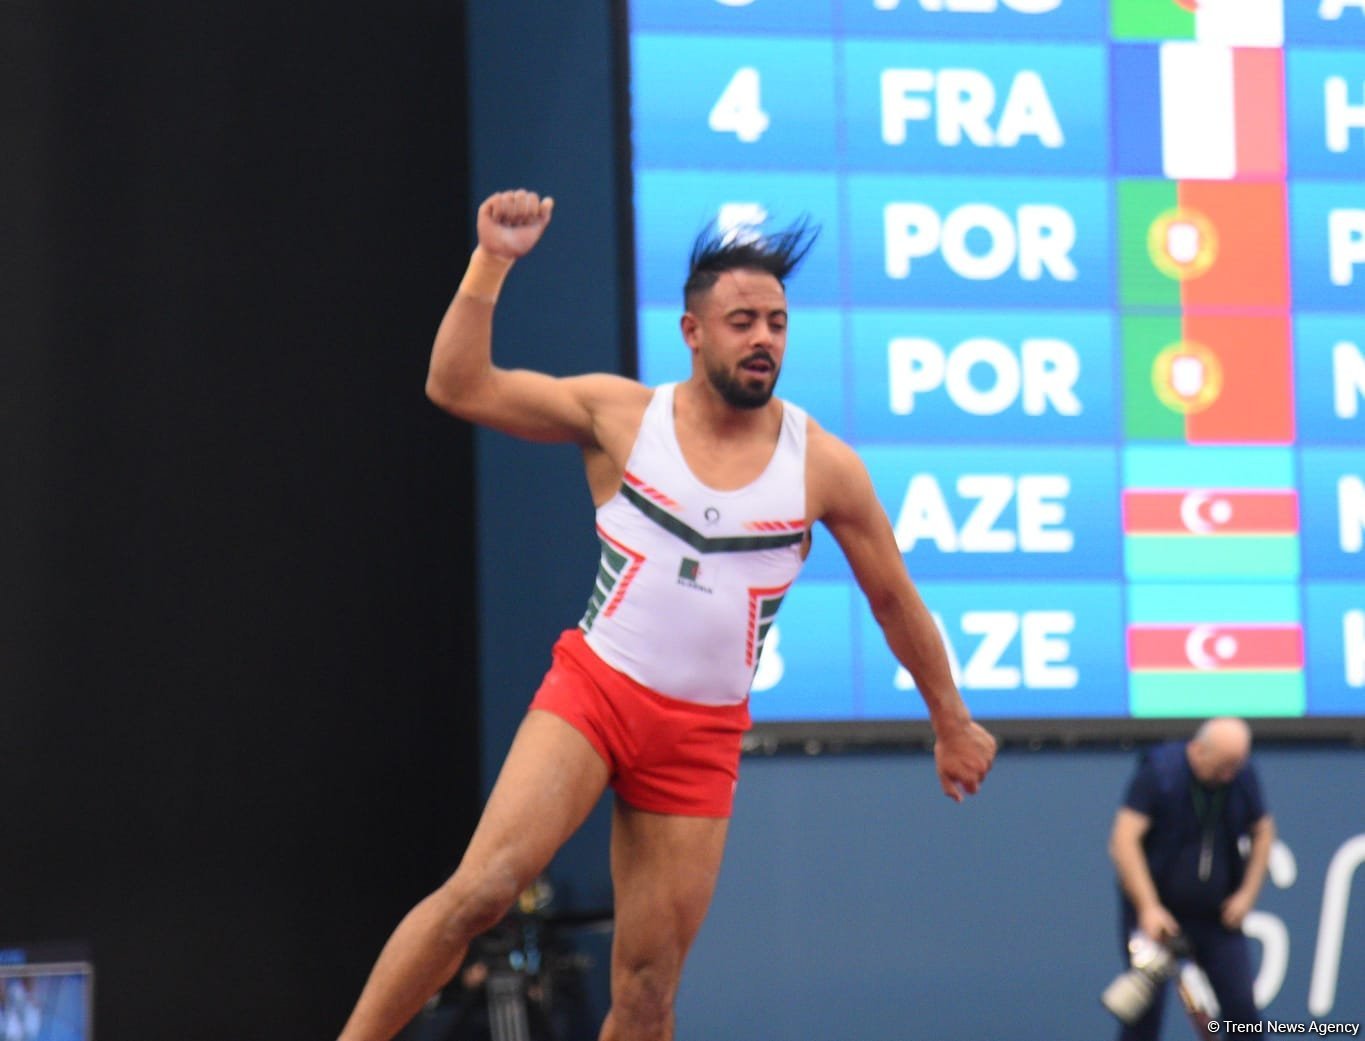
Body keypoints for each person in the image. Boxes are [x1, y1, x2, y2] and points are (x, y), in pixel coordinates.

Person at [336, 189, 998, 1041]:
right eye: (741, 321)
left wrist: (950, 720)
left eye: (777, 322)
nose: (763, 338)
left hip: (699, 736)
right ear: (692, 333)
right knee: (485, 887)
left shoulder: (823, 467)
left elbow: (894, 602)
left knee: (648, 994)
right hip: (596, 693)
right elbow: (455, 384)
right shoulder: (620, 417)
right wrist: (491, 262)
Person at [1108, 716, 1276, 1040]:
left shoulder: (1242, 775)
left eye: (1235, 766)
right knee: (1141, 1018)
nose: (1228, 775)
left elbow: (1264, 832)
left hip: (1216, 917)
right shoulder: (1159, 773)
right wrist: (1148, 908)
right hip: (1157, 920)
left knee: (1243, 1014)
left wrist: (1246, 895)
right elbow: (1123, 840)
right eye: (1223, 766)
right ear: (1198, 750)